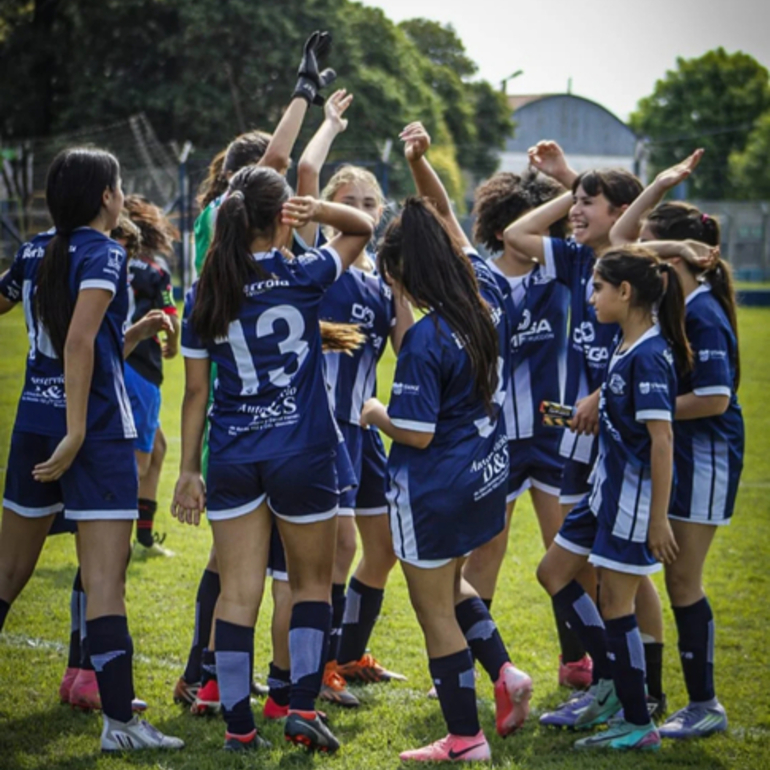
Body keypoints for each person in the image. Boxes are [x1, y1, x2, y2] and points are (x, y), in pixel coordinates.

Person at [172, 164, 374, 753]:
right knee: (312, 585)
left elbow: (194, 393)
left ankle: (239, 730)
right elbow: (361, 227)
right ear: (284, 217)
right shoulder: (302, 273)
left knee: (238, 592)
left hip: (233, 454)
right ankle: (301, 710)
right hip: (302, 452)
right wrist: (321, 210)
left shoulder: (205, 290)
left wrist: (188, 469)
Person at [174, 29, 339, 711]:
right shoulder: (236, 223)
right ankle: (280, 695)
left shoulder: (212, 266)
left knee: (233, 571)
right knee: (285, 576)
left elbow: (195, 388)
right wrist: (308, 95)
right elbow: (280, 159)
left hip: (232, 425)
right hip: (287, 434)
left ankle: (213, 683)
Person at [359, 122, 532, 763]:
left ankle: (465, 739)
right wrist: (419, 164)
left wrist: (375, 411)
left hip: (434, 487)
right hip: (486, 472)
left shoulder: (428, 341)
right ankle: (507, 674)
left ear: (408, 273)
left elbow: (418, 429)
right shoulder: (486, 293)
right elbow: (451, 225)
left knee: (433, 611)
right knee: (454, 587)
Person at [0, 147, 183, 752]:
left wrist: (140, 328)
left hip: (33, 424)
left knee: (7, 574)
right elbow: (78, 343)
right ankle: (121, 726)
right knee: (106, 582)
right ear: (107, 197)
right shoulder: (105, 252)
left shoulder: (33, 249)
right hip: (95, 434)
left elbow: (87, 348)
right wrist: (78, 431)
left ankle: (118, 718)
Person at [504, 145, 668, 720]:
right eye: (576, 204)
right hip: (574, 439)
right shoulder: (577, 262)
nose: (575, 211)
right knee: (580, 568)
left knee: (621, 572)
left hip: (618, 441)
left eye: (587, 204)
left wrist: (578, 182)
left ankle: (642, 687)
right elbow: (515, 232)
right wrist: (567, 192)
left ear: (620, 212)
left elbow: (622, 233)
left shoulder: (635, 274)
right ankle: (611, 681)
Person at [536, 245, 691, 752]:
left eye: (599, 287)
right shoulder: (626, 345)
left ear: (625, 293)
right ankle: (611, 685)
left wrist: (658, 518)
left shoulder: (649, 354)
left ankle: (635, 719)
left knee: (616, 603)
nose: (591, 295)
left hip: (631, 500)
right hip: (603, 491)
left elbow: (662, 440)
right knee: (552, 572)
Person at [610, 161, 743, 738]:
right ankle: (661, 693)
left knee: (684, 581)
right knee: (670, 579)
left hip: (708, 458)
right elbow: (621, 241)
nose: (646, 257)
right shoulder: (683, 304)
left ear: (681, 257)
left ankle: (706, 703)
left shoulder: (705, 311)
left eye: (659, 250)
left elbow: (714, 399)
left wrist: (645, 410)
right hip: (686, 457)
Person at [293, 90, 413, 695]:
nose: (364, 211)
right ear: (329, 211)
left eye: (372, 203)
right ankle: (317, 670)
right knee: (336, 550)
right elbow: (306, 173)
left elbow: (410, 345)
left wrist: (407, 291)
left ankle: (346, 655)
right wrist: (330, 124)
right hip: (322, 429)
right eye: (352, 204)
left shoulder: (381, 281)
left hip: (365, 432)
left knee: (383, 548)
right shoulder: (320, 261)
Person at [463, 169, 592, 689]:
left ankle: (577, 660)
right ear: (500, 229)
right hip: (494, 436)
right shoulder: (477, 276)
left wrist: (568, 186)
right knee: (486, 548)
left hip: (554, 434)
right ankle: (472, 665)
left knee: (564, 547)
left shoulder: (560, 272)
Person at [122, 195, 181, 556]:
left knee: (157, 448)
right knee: (138, 462)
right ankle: (113, 540)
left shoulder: (102, 263)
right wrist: (173, 342)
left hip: (112, 365)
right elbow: (170, 317)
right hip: (141, 371)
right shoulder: (154, 272)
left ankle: (143, 537)